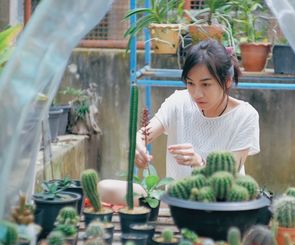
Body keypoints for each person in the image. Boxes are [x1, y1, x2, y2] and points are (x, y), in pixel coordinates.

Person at [99, 39, 260, 205]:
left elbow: (227, 181)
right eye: (190, 83)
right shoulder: (178, 102)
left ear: (227, 82)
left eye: (206, 84)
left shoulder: (245, 116)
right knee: (104, 188)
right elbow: (144, 134)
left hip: (221, 207)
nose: (197, 93)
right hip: (177, 203)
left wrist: (198, 163)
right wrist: (137, 146)